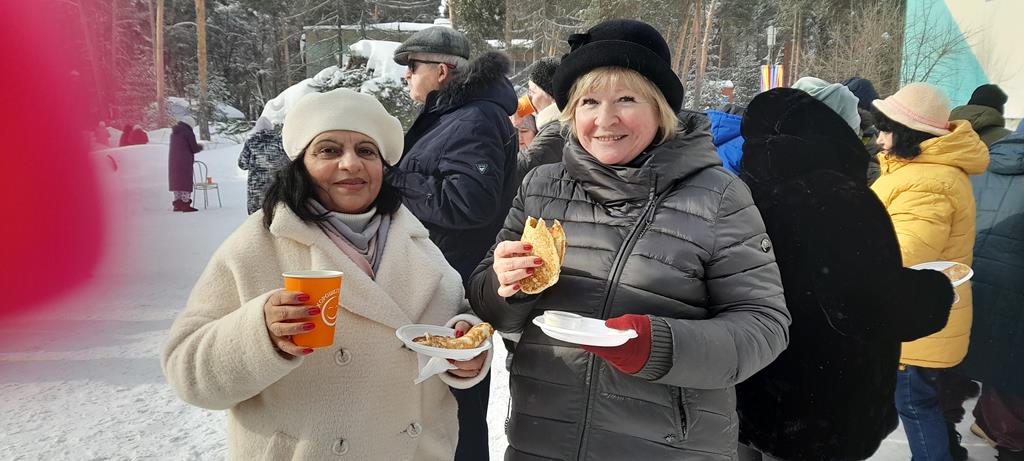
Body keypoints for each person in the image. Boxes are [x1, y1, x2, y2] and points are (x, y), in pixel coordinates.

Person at [468, 20, 791, 460]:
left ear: (660, 108)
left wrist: (659, 346)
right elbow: (490, 306)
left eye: (626, 99)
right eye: (588, 102)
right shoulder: (542, 186)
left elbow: (764, 325)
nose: (605, 120)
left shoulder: (717, 196)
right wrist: (506, 285)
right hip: (543, 442)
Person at [161, 88, 491, 460]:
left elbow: (457, 320)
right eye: (329, 150)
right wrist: (261, 334)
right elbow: (185, 371)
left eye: (366, 151)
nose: (351, 164)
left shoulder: (416, 241)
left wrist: (467, 348)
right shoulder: (260, 242)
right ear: (301, 164)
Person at [735, 87, 954, 461]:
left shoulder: (742, 186)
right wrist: (935, 292)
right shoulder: (835, 196)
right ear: (836, 127)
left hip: (753, 392)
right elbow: (864, 304)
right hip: (820, 408)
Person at [388, 25, 519, 460]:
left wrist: (392, 179)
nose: (406, 74)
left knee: (456, 412)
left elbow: (471, 202)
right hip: (439, 281)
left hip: (453, 290)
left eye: (412, 66)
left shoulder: (474, 118)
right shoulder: (453, 115)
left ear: (442, 71)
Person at [870, 82, 990, 461]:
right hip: (924, 311)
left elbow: (903, 252)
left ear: (907, 133)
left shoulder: (927, 182)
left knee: (915, 405)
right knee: (924, 402)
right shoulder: (923, 171)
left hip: (917, 319)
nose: (878, 138)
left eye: (885, 129)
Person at [957, 121, 1024, 461]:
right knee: (1011, 371)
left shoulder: (981, 164)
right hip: (1015, 288)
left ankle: (984, 424)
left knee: (988, 358)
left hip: (972, 280)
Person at [515, 57, 565, 185]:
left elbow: (519, 170)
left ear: (550, 96)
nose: (528, 98)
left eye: (532, 92)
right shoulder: (554, 127)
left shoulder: (556, 132)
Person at [238, 116, 289, 214]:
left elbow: (242, 164)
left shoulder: (251, 142)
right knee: (277, 213)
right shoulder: (280, 142)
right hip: (276, 186)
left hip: (256, 187)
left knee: (256, 217)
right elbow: (288, 162)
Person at [168, 116, 203, 212]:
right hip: (185, 161)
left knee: (177, 182)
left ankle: (177, 204)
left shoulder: (174, 133)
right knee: (185, 181)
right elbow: (194, 148)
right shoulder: (188, 133)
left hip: (173, 161)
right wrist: (200, 147)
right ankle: (185, 204)